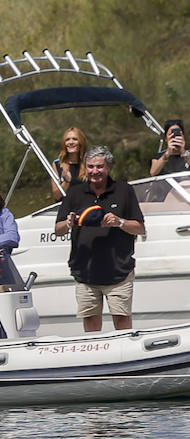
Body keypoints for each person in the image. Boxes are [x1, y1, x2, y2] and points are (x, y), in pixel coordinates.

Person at [54, 145, 146, 331]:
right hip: (85, 273)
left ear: (108, 167)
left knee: (122, 323)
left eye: (99, 167)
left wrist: (119, 222)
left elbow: (140, 228)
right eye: (90, 167)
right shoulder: (75, 193)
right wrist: (69, 223)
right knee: (91, 326)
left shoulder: (124, 190)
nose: (95, 171)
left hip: (119, 272)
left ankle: (125, 355)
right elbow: (58, 230)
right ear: (85, 168)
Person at [52, 127, 88, 198]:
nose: (71, 142)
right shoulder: (57, 164)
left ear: (81, 142)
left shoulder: (89, 163)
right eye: (67, 139)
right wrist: (66, 181)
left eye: (75, 139)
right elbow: (57, 196)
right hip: (65, 206)